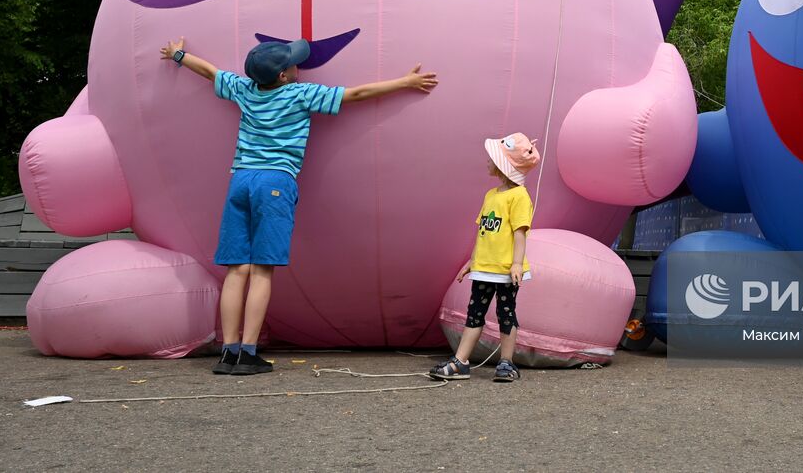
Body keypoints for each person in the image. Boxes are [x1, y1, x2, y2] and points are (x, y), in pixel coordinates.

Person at [160, 36, 438, 375]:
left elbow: (209, 72)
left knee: (236, 269)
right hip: (275, 182)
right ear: (283, 76)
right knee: (262, 269)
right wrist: (404, 82)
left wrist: (177, 55)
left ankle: (228, 352)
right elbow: (356, 94)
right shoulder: (299, 94)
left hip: (241, 180)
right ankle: (248, 354)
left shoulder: (244, 90)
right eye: (294, 65)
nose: (298, 67)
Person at [431, 133, 539, 384]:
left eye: (492, 158)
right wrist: (472, 261)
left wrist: (515, 264)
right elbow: (483, 233)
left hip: (505, 270)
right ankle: (461, 362)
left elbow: (520, 233)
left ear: (504, 164)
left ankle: (506, 362)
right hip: (484, 268)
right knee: (474, 313)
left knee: (506, 313)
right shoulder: (491, 195)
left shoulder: (519, 196)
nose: (487, 162)